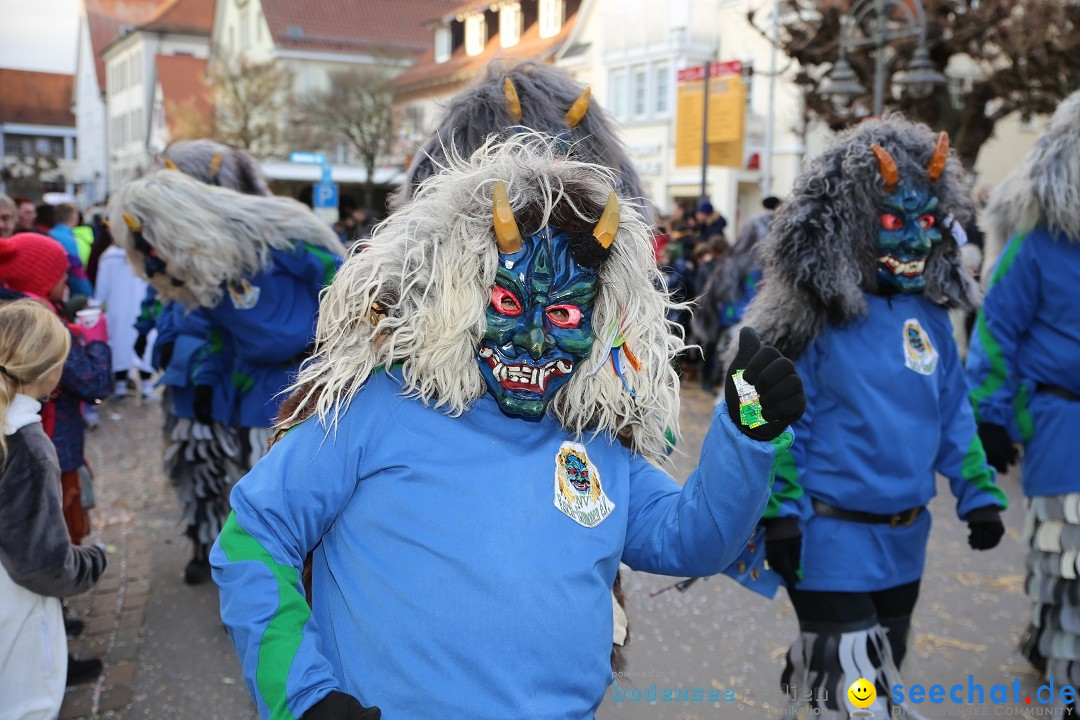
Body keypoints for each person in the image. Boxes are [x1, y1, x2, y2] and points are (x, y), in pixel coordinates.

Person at [211, 134, 805, 720]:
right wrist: (304, 697)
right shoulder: (378, 408)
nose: (537, 339)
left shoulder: (593, 438)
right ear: (459, 296)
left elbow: (690, 538)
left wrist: (747, 432)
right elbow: (254, 537)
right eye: (511, 305)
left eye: (566, 312)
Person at [736, 118, 1007, 718]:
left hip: (907, 540)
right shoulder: (814, 320)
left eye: (923, 221)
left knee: (878, 670)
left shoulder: (932, 316)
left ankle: (811, 668)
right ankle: (820, 669)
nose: (912, 239)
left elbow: (952, 411)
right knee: (858, 697)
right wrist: (780, 514)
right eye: (892, 221)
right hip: (830, 541)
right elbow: (774, 423)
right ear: (849, 224)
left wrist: (979, 494)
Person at [108, 168, 346, 582]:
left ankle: (309, 580)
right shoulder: (204, 276)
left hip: (312, 377)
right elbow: (220, 336)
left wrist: (342, 340)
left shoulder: (276, 245)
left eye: (151, 246)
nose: (150, 262)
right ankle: (265, 581)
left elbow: (342, 278)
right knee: (257, 490)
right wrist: (204, 380)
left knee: (309, 488)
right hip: (254, 394)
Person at [966, 90, 1080, 692]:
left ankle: (1046, 635)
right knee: (1067, 552)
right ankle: (1065, 672)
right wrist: (990, 418)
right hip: (1064, 422)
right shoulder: (1037, 247)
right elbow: (996, 330)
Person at [0, 299, 109, 717]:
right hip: (15, 613)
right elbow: (41, 563)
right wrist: (92, 561)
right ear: (49, 372)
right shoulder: (26, 443)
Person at [92, 227, 152, 400]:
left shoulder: (109, 256)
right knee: (138, 344)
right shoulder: (143, 255)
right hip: (139, 308)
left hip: (120, 309)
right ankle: (142, 387)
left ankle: (122, 386)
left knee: (121, 343)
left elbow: (101, 290)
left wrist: (98, 304)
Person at [49, 202, 94, 298]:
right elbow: (76, 271)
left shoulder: (50, 234)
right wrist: (88, 293)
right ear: (73, 217)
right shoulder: (68, 240)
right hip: (68, 293)